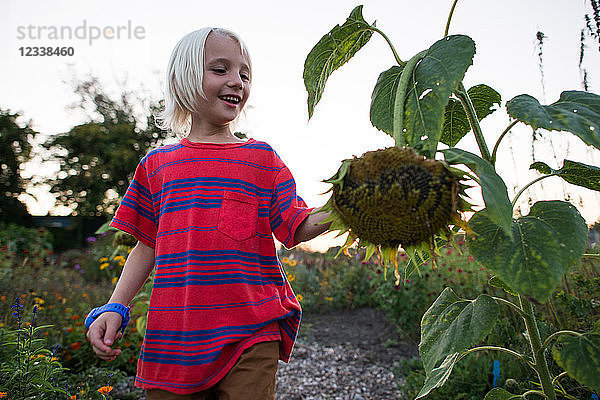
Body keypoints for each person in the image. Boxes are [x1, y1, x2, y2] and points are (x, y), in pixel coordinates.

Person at [85, 27, 331, 399]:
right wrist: (116, 306)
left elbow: (297, 225)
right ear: (183, 78)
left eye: (244, 74)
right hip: (175, 339)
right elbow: (146, 246)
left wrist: (351, 204)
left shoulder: (262, 160)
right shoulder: (157, 165)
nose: (237, 81)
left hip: (251, 331)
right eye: (221, 69)